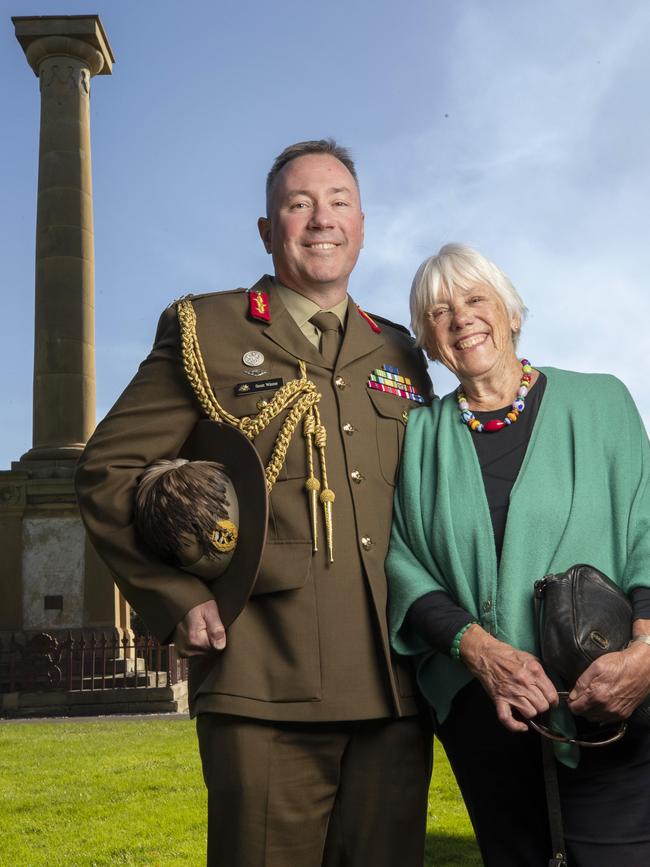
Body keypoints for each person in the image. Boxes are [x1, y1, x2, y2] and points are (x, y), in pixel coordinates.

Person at [75, 139, 434, 867]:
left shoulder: (400, 352)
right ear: (269, 231)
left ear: (363, 225)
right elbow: (108, 471)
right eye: (297, 204)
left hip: (397, 692)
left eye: (338, 203)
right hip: (261, 683)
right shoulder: (207, 328)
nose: (320, 219)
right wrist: (175, 595)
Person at [386, 243, 650, 867]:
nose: (461, 319)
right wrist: (478, 651)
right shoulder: (420, 436)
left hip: (613, 699)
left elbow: (646, 530)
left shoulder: (601, 403)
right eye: (439, 311)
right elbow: (402, 563)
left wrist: (645, 655)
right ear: (426, 340)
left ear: (511, 313)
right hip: (488, 714)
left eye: (476, 300)